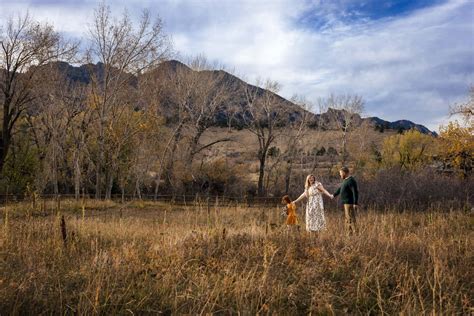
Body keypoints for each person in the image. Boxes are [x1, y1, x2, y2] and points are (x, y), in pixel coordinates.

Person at [332, 166, 359, 235]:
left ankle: (356, 234)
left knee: (351, 219)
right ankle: (349, 234)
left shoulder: (351, 181)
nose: (340, 175)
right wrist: (334, 195)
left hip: (349, 203)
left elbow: (355, 192)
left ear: (344, 173)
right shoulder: (345, 180)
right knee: (347, 219)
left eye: (340, 173)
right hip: (346, 203)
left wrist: (355, 203)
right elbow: (340, 189)